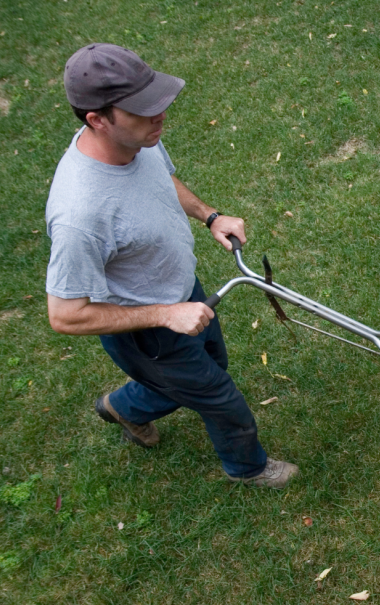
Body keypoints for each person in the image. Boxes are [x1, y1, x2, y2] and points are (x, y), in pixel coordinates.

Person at [44, 43, 298, 489]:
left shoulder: (137, 140)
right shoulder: (80, 214)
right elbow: (65, 314)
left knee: (211, 365)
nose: (160, 116)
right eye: (143, 110)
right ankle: (248, 468)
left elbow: (161, 178)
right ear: (97, 120)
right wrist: (166, 314)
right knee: (220, 398)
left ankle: (124, 407)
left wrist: (210, 216)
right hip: (148, 330)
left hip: (183, 292)